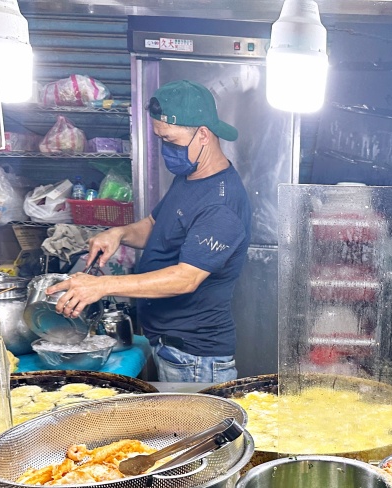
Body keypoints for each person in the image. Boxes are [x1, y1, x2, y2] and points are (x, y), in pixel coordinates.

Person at [48, 80, 251, 384]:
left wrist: (102, 286)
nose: (166, 150)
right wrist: (119, 233)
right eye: (160, 139)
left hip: (195, 358)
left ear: (204, 135)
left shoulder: (222, 203)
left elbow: (186, 278)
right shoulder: (190, 175)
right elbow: (157, 226)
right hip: (169, 346)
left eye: (170, 140)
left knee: (193, 433)